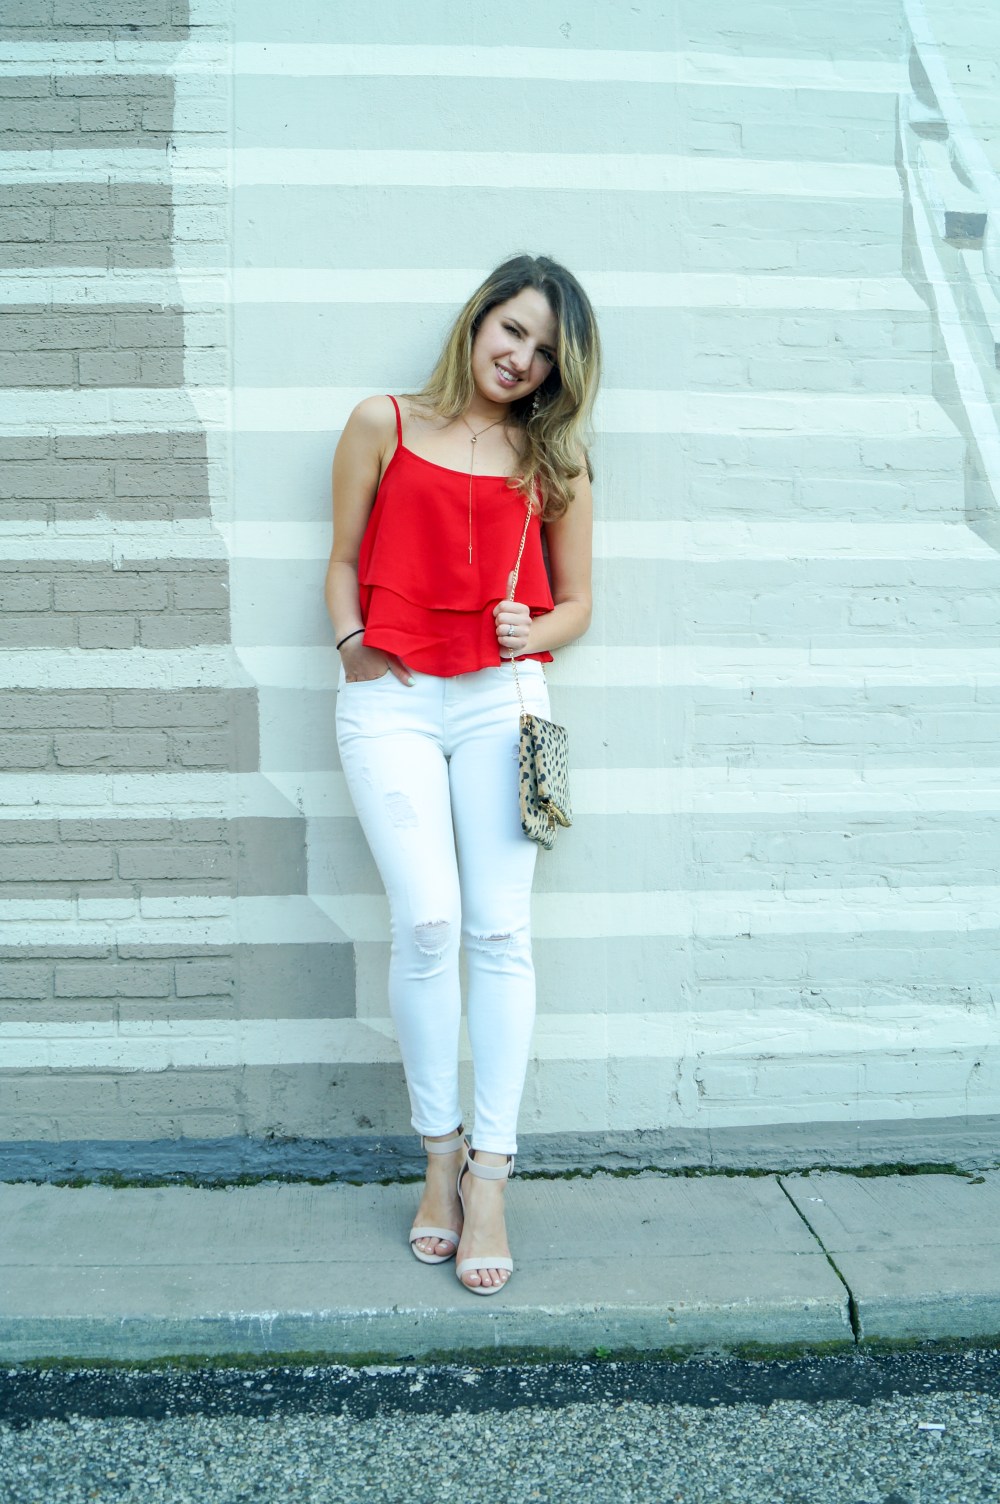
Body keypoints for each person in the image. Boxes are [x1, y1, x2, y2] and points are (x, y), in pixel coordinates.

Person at [324, 253, 601, 1295]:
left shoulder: (554, 459)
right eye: (512, 330)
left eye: (545, 352)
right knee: (429, 923)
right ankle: (437, 1160)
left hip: (502, 702)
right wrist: (351, 641)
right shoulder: (381, 423)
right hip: (391, 697)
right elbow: (340, 558)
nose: (521, 359)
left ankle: (491, 1175)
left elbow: (579, 603)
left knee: (498, 931)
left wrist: (539, 629)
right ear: (478, 320)